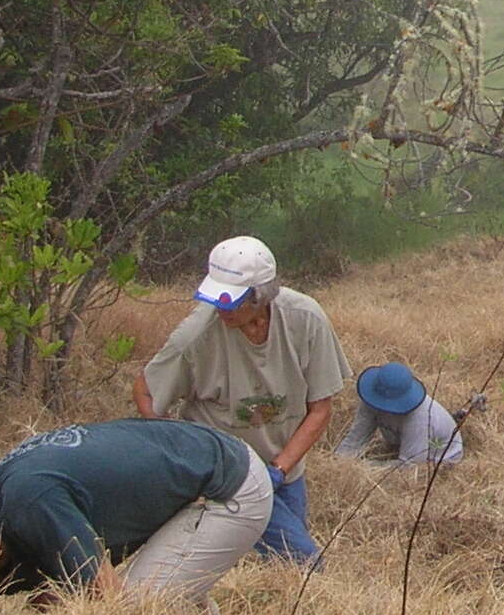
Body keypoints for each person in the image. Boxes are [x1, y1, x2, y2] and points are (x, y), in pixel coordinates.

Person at [0, 418, 272, 611]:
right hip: (194, 460)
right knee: (162, 594)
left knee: (140, 613)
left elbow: (108, 601)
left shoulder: (30, 503)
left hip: (229, 485)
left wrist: (73, 605)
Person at [134, 235, 348, 564]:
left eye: (232, 301)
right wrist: (180, 455)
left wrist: (278, 470)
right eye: (218, 299)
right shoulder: (195, 336)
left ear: (261, 295)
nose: (222, 309)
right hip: (225, 473)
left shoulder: (306, 319)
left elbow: (320, 408)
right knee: (302, 562)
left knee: (281, 575)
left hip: (285, 470)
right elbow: (146, 390)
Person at [335, 362, 467, 468]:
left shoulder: (420, 419)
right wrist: (338, 462)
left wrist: (365, 466)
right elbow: (355, 438)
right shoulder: (370, 399)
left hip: (440, 459)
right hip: (402, 446)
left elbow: (410, 466)